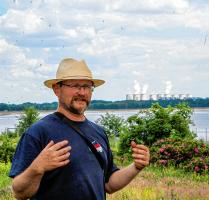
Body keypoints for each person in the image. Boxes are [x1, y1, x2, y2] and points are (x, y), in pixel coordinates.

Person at [9, 58, 150, 200]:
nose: (82, 92)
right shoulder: (38, 132)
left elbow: (109, 185)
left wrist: (136, 167)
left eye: (87, 86)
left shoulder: (98, 132)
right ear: (57, 89)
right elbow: (19, 193)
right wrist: (37, 167)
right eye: (75, 85)